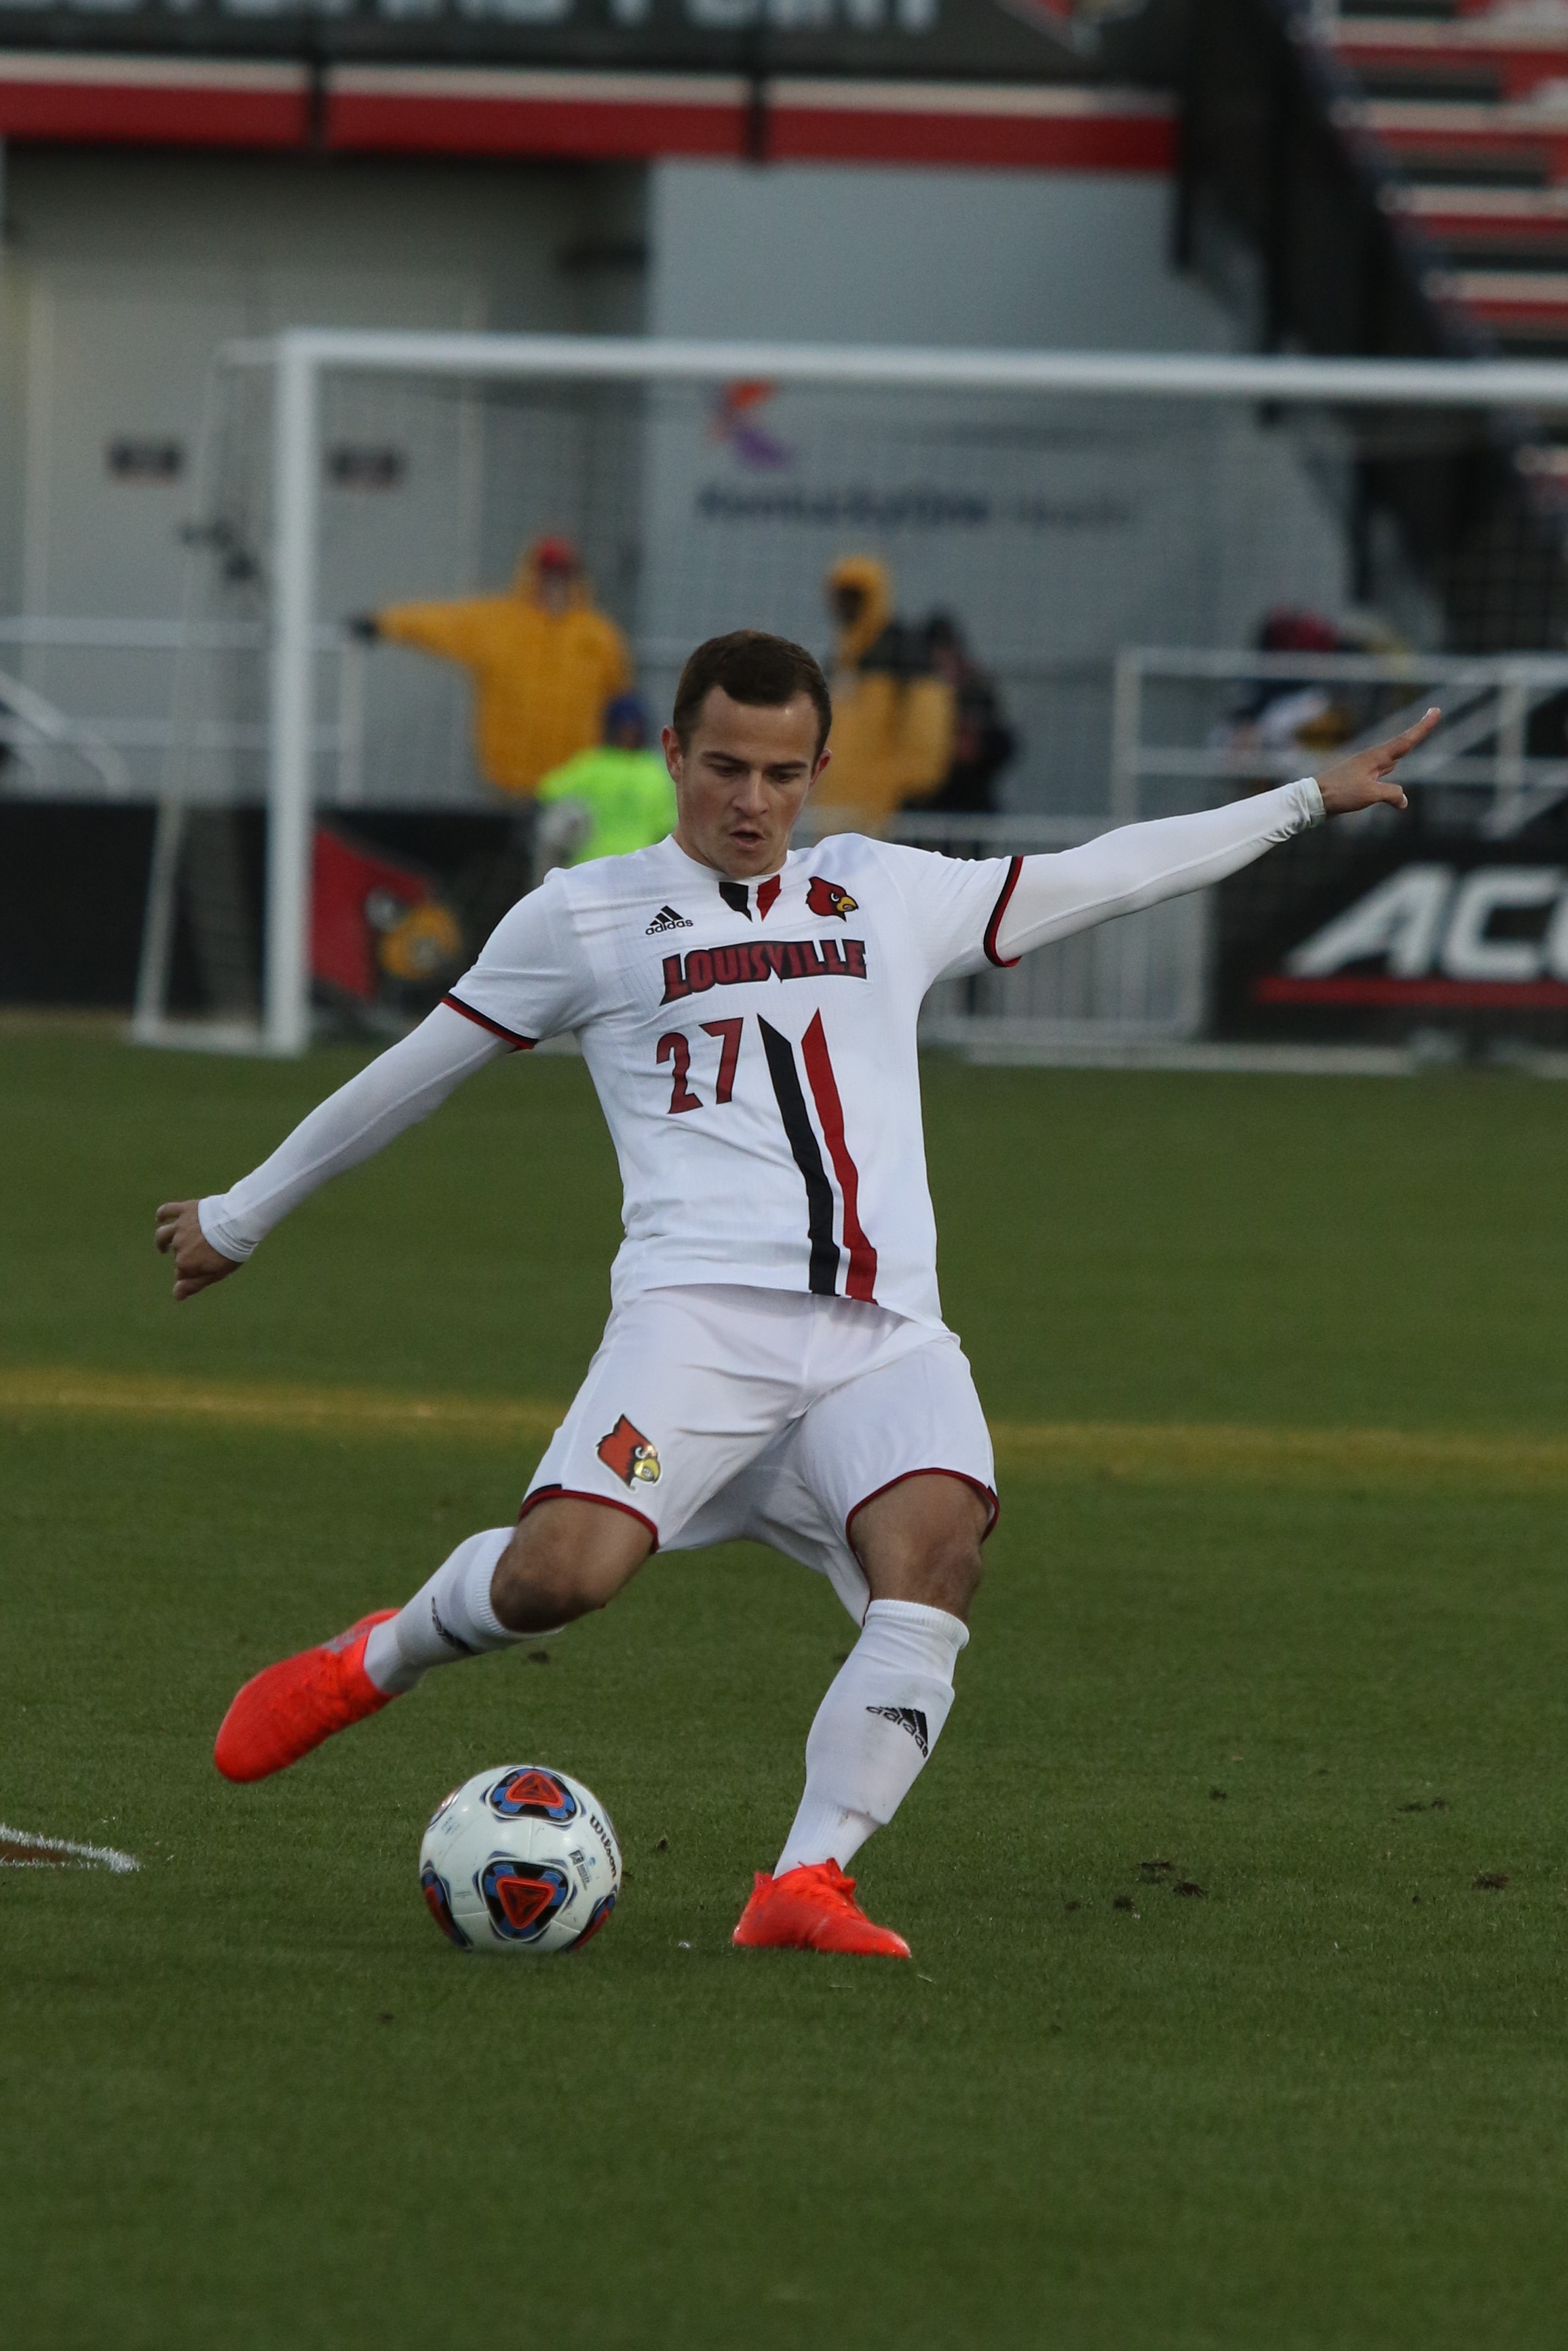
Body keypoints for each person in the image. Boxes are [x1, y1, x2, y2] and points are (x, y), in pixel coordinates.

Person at [155, 633, 1437, 1961]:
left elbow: (1100, 874)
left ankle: (804, 1880)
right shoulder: (583, 916)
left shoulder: (878, 890)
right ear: (673, 757)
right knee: (558, 1581)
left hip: (883, 1337)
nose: (751, 799)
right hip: (694, 1332)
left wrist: (1302, 797)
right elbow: (411, 1074)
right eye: (723, 766)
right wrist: (238, 1217)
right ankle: (381, 1655)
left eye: (780, 772)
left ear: (819, 769)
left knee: (938, 1558)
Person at [351, 536, 630, 799]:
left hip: (578, 788)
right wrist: (384, 623)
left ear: (575, 579)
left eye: (561, 575)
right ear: (532, 576)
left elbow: (621, 702)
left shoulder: (598, 636)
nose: (553, 583)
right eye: (547, 574)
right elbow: (440, 624)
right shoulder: (499, 624)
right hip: (510, 786)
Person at [808, 556, 954, 829]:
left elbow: (926, 728)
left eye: (854, 595)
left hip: (884, 809)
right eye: (841, 596)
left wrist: (911, 789)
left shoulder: (905, 656)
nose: (844, 605)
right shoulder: (842, 658)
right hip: (836, 802)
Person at [533, 693, 678, 875]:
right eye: (625, 729)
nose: (628, 734)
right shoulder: (654, 770)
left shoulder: (592, 764)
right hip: (628, 868)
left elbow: (545, 792)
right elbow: (667, 826)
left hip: (601, 869)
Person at [913, 613, 1017, 817]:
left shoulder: (977, 692)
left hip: (968, 808)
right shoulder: (914, 694)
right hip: (925, 807)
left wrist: (978, 748)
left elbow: (1004, 745)